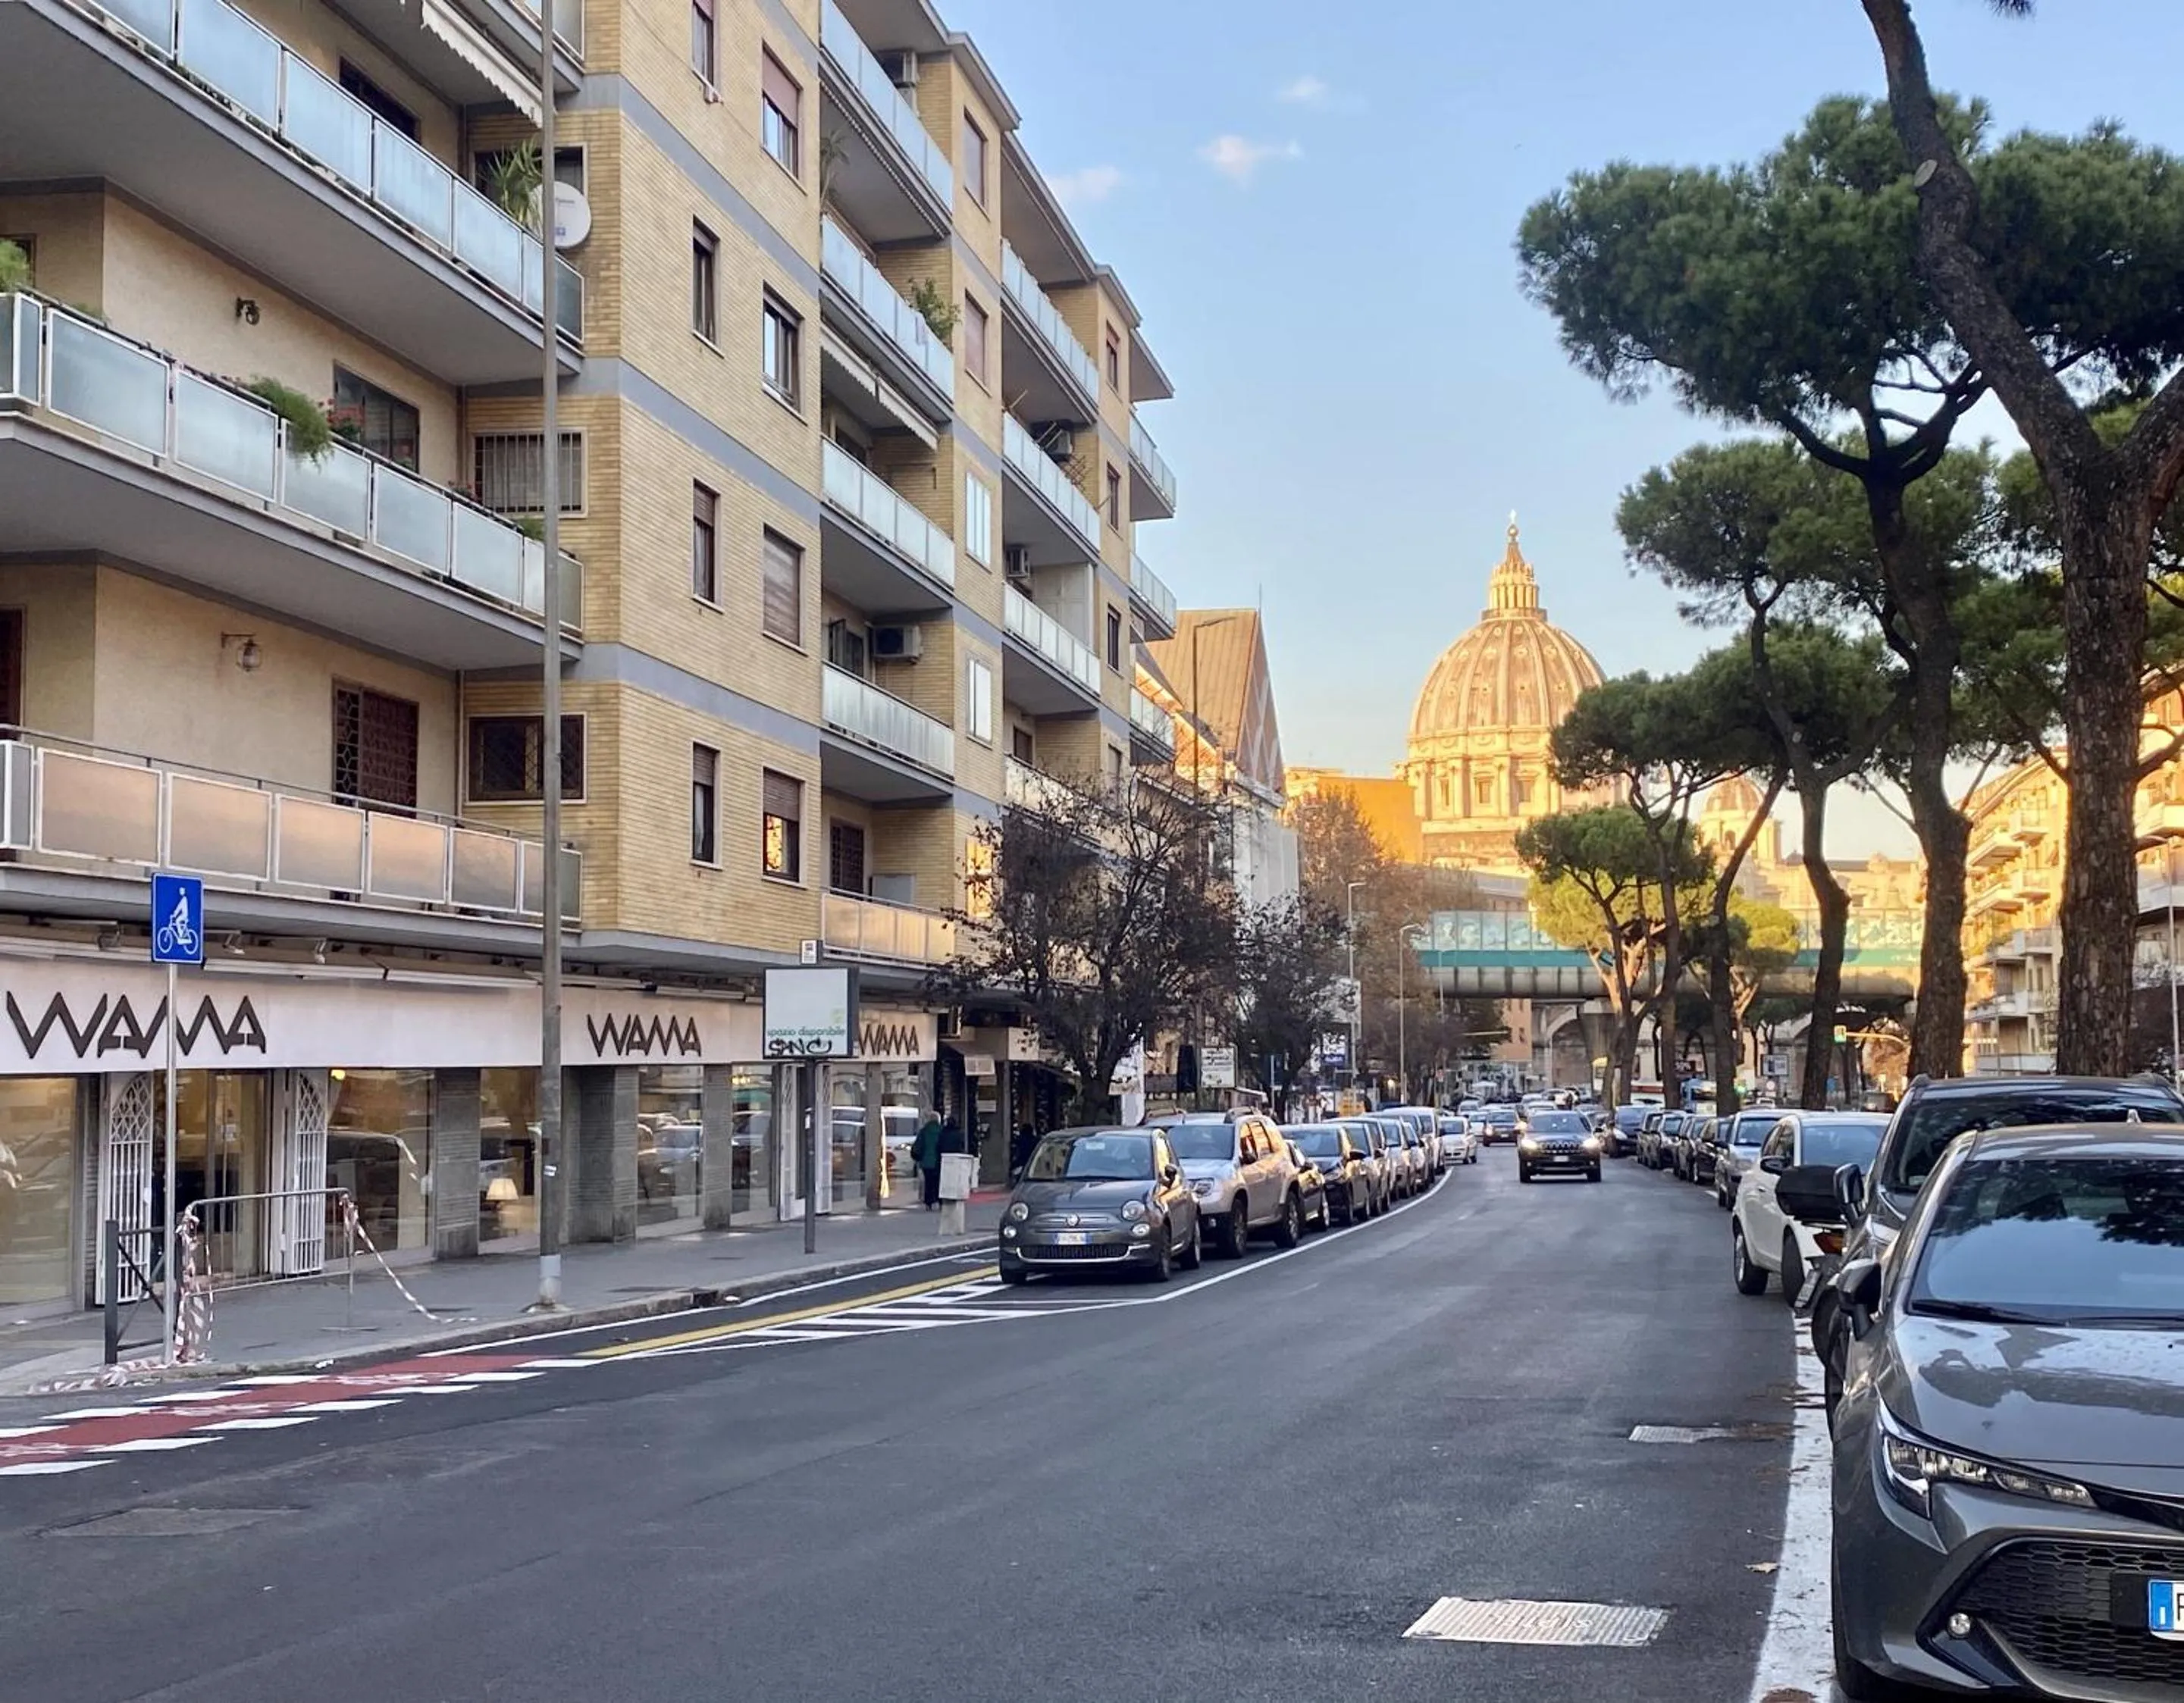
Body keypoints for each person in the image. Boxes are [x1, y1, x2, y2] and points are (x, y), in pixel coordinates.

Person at [912, 1114, 944, 1210]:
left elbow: (918, 1146)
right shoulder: (942, 1131)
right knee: (938, 1182)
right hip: (939, 1161)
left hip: (926, 1162)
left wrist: (918, 1157)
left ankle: (928, 1203)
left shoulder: (924, 1131)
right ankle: (939, 1201)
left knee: (928, 1182)